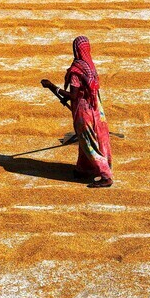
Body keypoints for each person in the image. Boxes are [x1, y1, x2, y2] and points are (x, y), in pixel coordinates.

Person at [41, 36, 113, 187]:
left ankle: (106, 175)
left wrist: (52, 87)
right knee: (90, 139)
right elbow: (89, 91)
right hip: (96, 108)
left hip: (83, 111)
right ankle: (84, 169)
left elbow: (74, 95)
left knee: (88, 141)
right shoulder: (90, 67)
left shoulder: (77, 70)